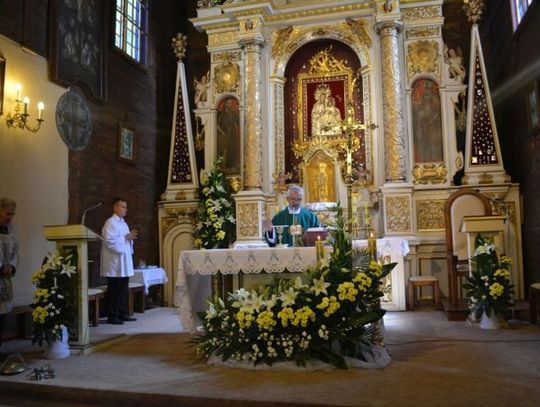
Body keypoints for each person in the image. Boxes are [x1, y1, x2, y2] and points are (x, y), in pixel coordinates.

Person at [100, 198, 138, 325]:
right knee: (114, 291)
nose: (125, 209)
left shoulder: (123, 223)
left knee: (123, 290)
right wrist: (126, 237)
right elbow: (109, 242)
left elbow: (125, 239)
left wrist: (130, 238)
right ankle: (113, 316)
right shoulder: (110, 223)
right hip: (115, 262)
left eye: (126, 207)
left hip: (124, 261)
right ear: (115, 208)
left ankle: (122, 314)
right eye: (123, 207)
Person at [0, 198, 18, 344]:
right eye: (7, 214)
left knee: (2, 316)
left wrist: (11, 266)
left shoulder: (11, 228)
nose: (10, 217)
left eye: (12, 214)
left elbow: (15, 252)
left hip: (5, 276)